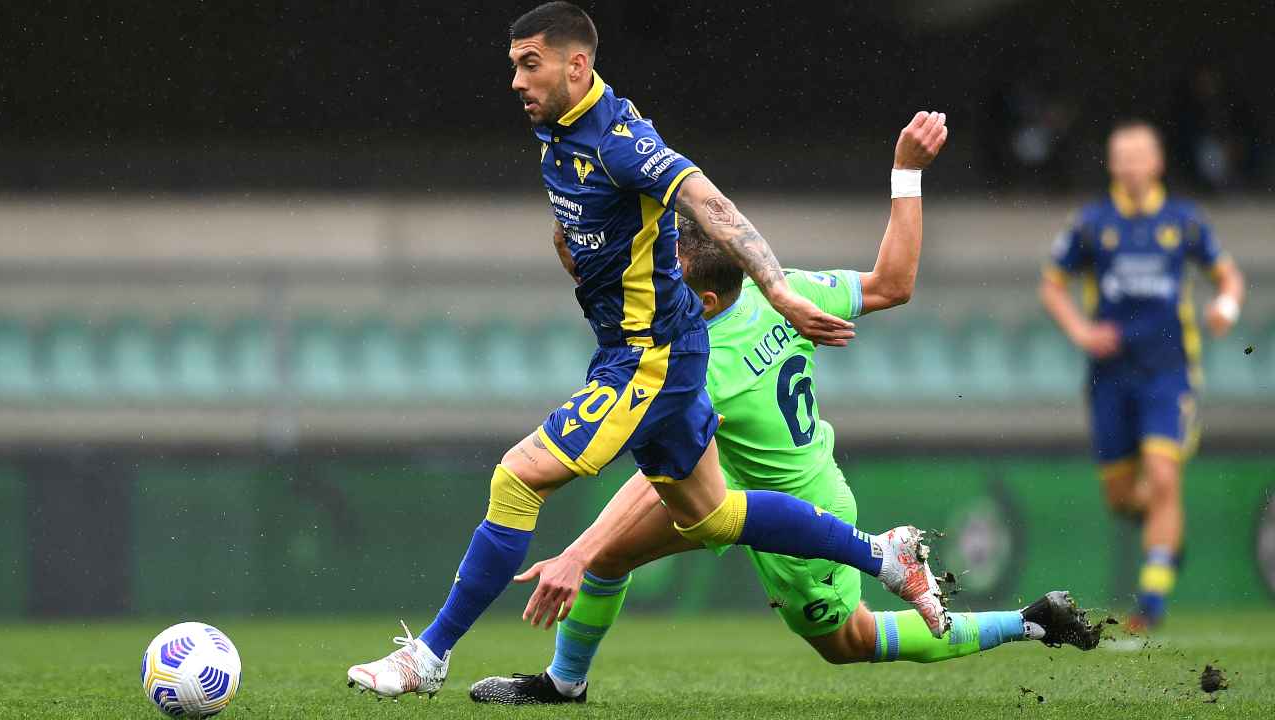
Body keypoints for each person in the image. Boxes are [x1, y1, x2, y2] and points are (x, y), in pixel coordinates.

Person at [346, 2, 949, 699]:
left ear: (578, 65)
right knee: (717, 515)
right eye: (514, 64)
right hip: (655, 345)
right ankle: (883, 554)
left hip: (650, 357)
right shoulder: (557, 131)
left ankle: (429, 655)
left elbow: (710, 204)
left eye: (529, 63)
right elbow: (607, 234)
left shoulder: (620, 139)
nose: (516, 80)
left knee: (517, 478)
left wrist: (778, 289)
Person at [467, 113, 1104, 704]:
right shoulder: (788, 293)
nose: (658, 287)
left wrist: (574, 552)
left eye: (671, 280)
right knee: (611, 554)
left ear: (708, 299)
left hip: (804, 509)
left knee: (851, 643)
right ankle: (564, 684)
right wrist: (905, 172)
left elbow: (650, 477)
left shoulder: (700, 361)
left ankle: (1029, 623)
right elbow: (893, 284)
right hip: (734, 482)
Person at [1039, 120, 1246, 630]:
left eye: (1140, 156)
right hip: (1109, 377)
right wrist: (1082, 332)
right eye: (1121, 157)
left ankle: (1151, 600)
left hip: (1168, 374)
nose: (1131, 165)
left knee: (1162, 473)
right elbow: (1051, 284)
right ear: (1112, 164)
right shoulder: (1091, 223)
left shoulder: (1185, 221)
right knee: (1123, 497)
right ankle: (1165, 534)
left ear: (1157, 163)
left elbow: (1229, 277)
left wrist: (1226, 307)